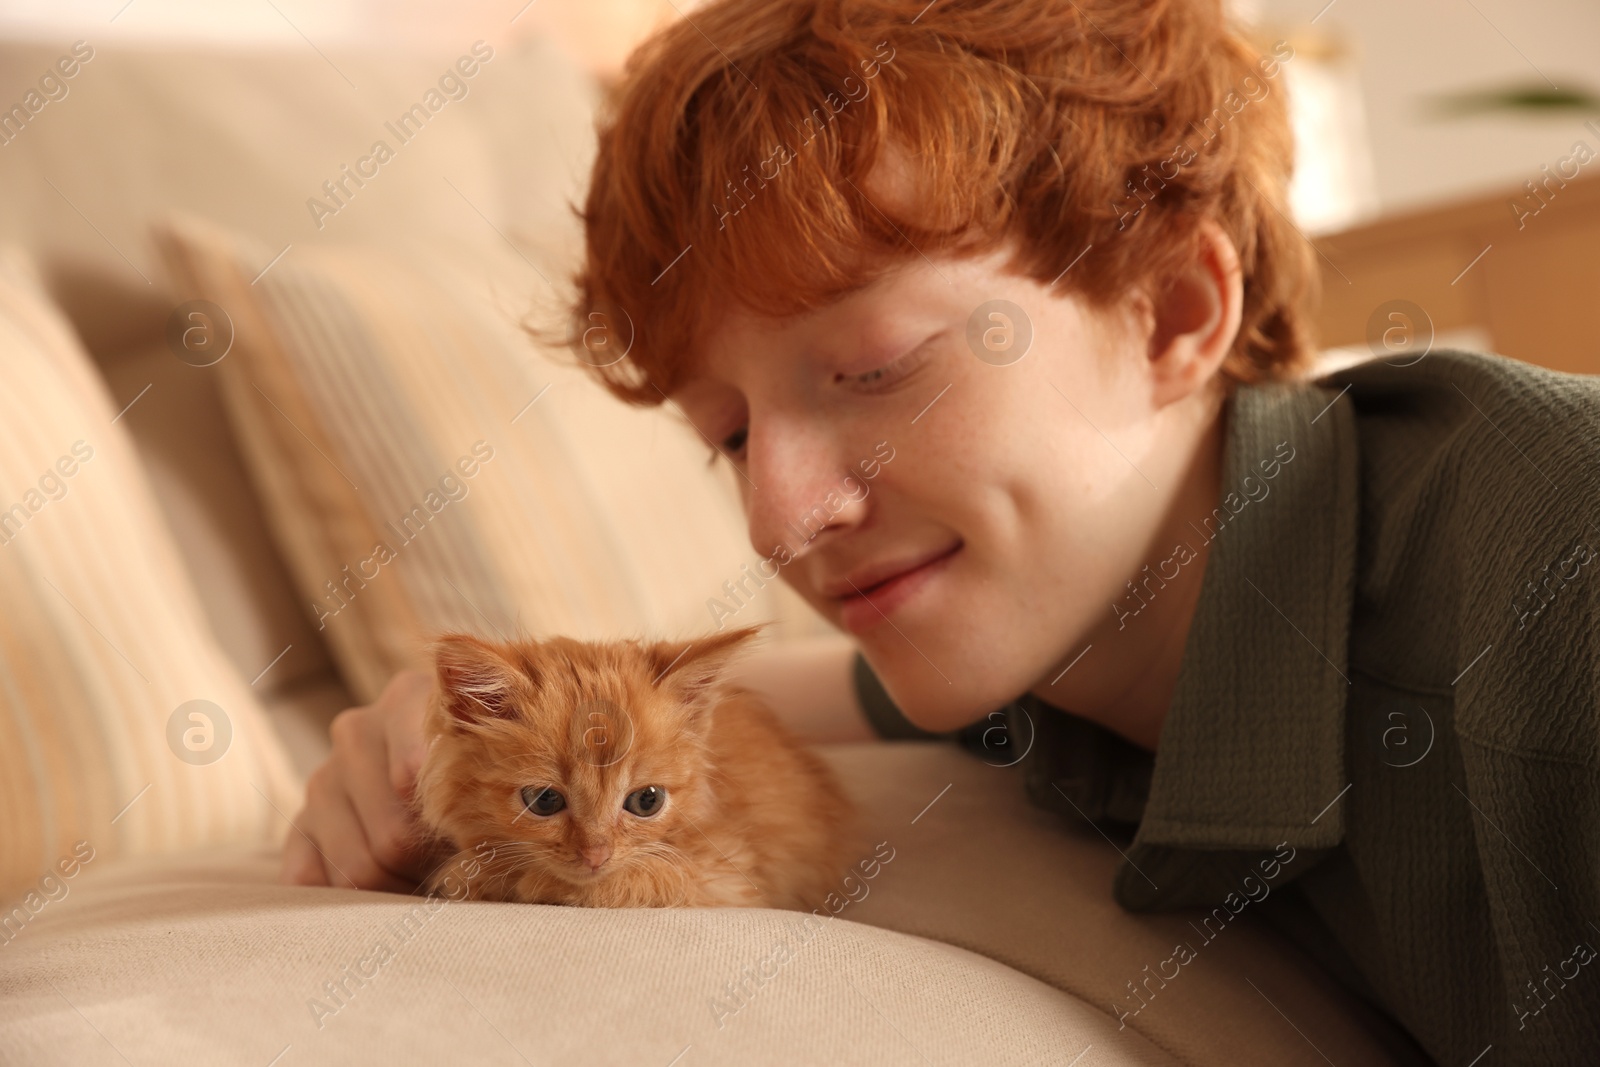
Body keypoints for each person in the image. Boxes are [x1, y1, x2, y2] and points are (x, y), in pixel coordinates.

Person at [282, 0, 1600, 1061]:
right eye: (729, 435)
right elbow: (793, 698)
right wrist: (434, 720)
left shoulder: (1546, 622)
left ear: (1173, 310)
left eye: (873, 370)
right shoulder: (1087, 626)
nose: (782, 518)